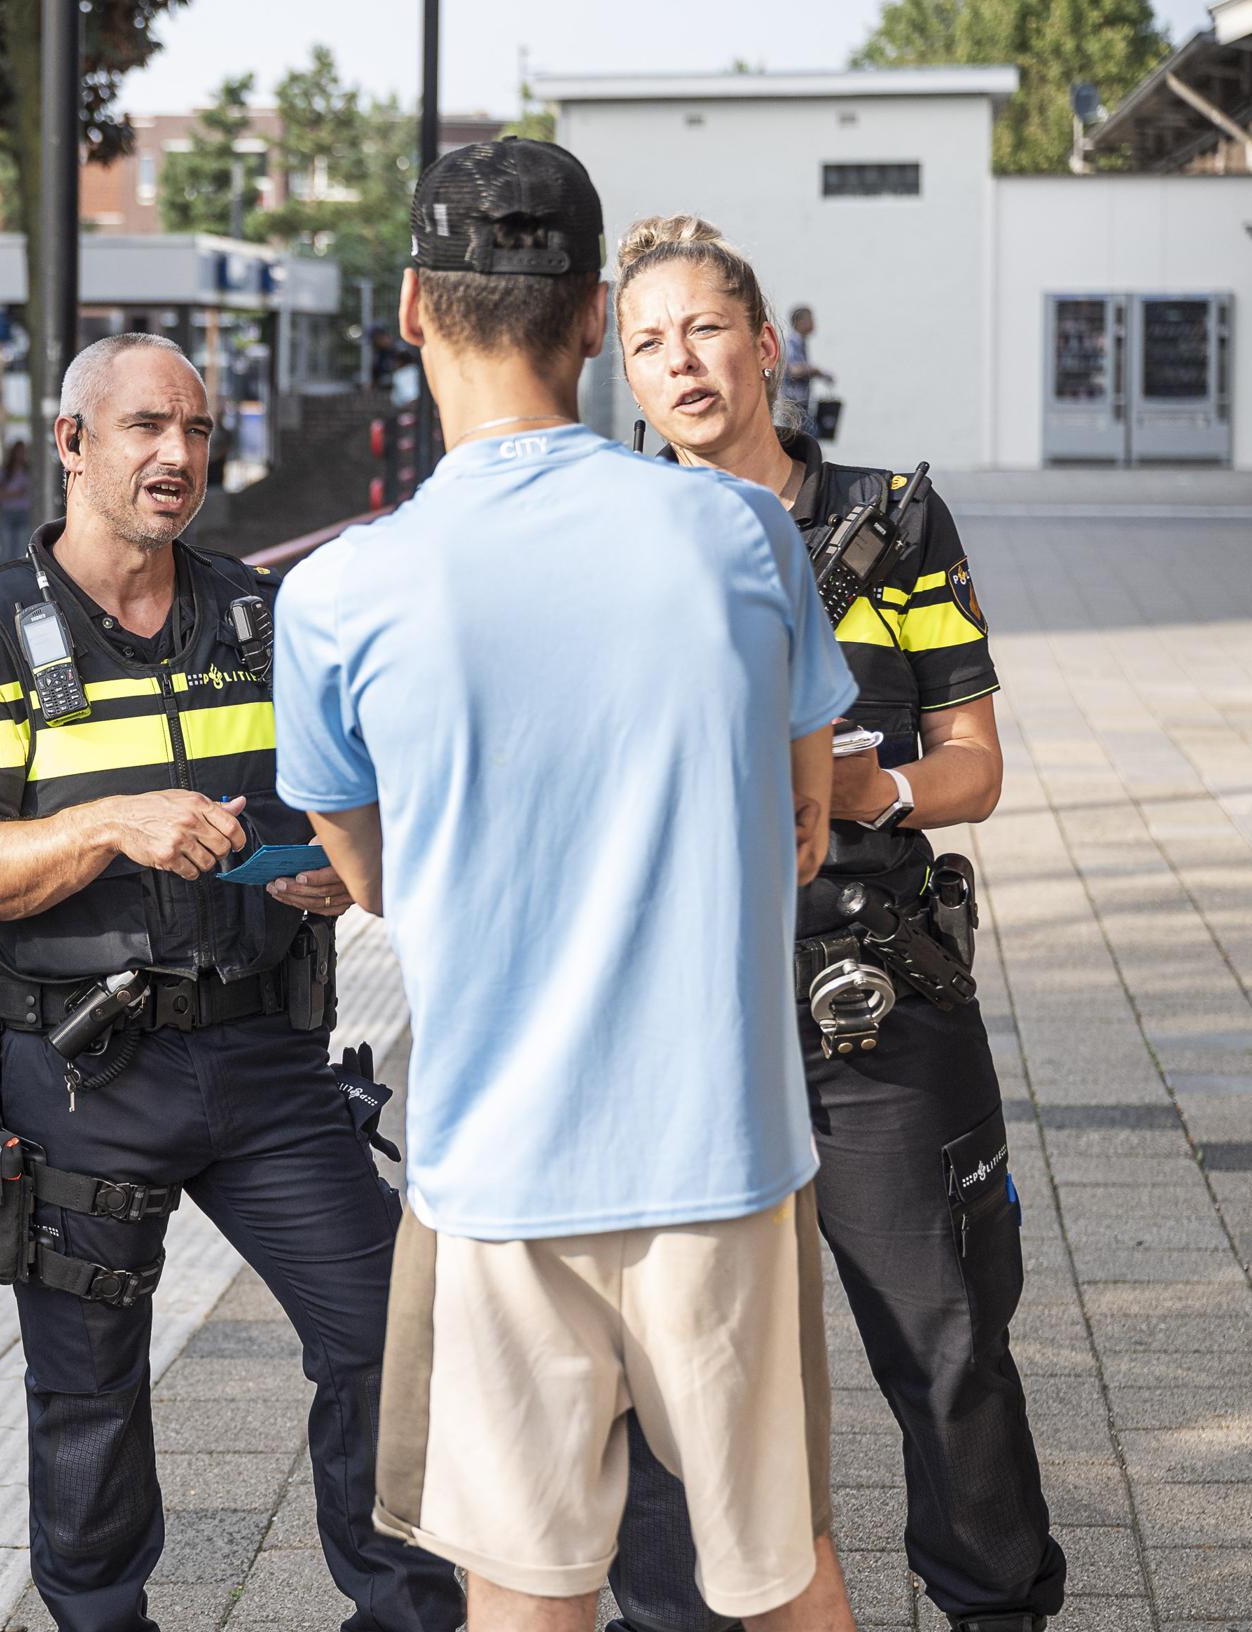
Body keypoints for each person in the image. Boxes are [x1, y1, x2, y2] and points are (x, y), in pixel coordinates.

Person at [272, 141, 861, 1632]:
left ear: (412, 307)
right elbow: (806, 808)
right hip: (722, 1154)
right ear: (597, 319)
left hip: (498, 1174)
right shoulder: (742, 532)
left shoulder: (338, 597)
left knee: (526, 1595)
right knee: (786, 1581)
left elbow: (376, 877)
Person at [0, 331, 465, 1632]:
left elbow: (353, 808)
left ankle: (402, 1612)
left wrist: (339, 867)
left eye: (199, 431)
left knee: (389, 1334)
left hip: (266, 1061)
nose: (177, 455)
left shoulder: (264, 615)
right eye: (148, 426)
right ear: (72, 444)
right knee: (89, 1399)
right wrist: (110, 823)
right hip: (83, 1073)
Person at [606, 215, 1060, 1632]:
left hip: (877, 996)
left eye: (702, 329)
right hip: (683, 1015)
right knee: (672, 1363)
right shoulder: (609, 532)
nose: (679, 362)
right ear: (622, 379)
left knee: (949, 1347)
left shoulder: (894, 516)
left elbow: (977, 764)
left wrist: (878, 785)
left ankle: (994, 1606)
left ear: (766, 344)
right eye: (645, 342)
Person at [780, 305, 832, 435]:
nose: (814, 323)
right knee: (808, 438)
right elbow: (794, 370)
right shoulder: (793, 343)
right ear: (800, 322)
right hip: (794, 405)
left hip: (800, 405)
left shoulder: (801, 343)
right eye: (810, 319)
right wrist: (815, 371)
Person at [0, 436, 33, 557]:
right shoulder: (4, 472)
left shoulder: (28, 471)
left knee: (22, 550)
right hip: (8, 513)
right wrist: (14, 494)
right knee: (6, 550)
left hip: (24, 512)